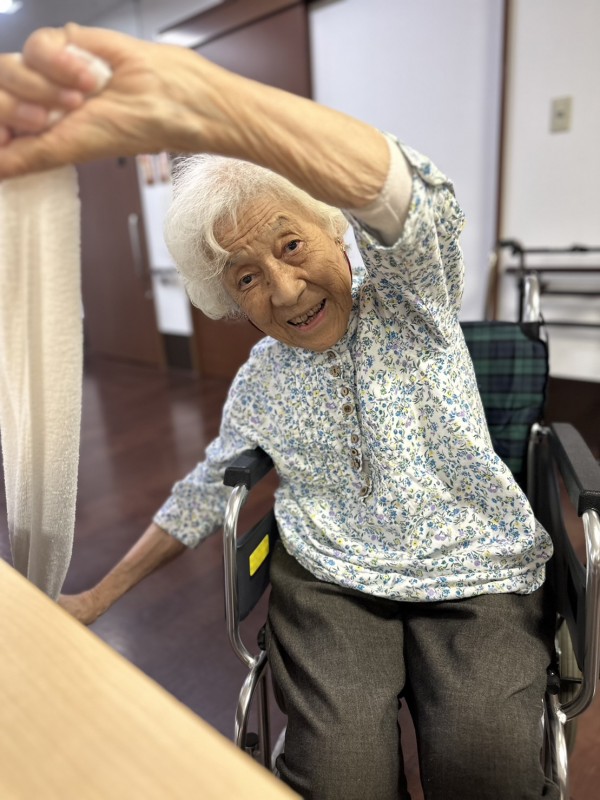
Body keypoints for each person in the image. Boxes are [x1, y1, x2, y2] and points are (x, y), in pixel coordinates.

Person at [0, 25, 557, 800]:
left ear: (333, 225)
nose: (285, 291)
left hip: (474, 564)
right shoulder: (261, 379)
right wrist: (96, 598)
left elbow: (415, 202)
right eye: (246, 278)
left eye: (291, 246)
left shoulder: (412, 304)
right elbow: (203, 491)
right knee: (338, 779)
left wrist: (215, 106)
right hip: (332, 578)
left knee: (487, 764)